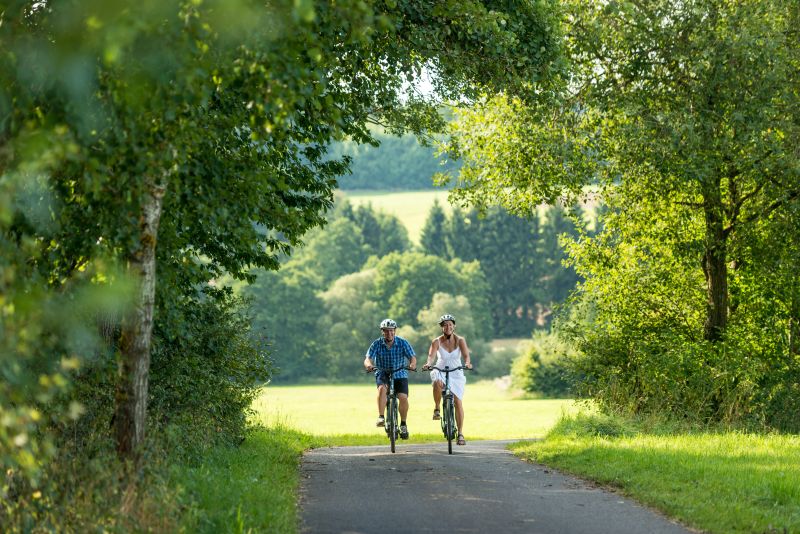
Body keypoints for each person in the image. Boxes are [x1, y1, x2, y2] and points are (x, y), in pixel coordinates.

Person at [421, 314, 473, 445]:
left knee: (458, 402)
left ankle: (460, 434)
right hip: (440, 369)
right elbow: (431, 356)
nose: (448, 326)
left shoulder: (460, 340)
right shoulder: (436, 341)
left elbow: (466, 356)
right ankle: (437, 408)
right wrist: (428, 363)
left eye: (450, 324)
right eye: (445, 324)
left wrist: (467, 363)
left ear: (454, 326)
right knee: (437, 382)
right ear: (441, 327)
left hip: (456, 371)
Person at [364, 318, 417, 439]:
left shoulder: (402, 342)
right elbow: (368, 358)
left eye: (391, 331)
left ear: (395, 331)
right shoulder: (377, 344)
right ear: (382, 332)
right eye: (386, 331)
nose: (389, 333)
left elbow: (412, 357)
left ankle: (403, 424)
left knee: (403, 397)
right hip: (383, 372)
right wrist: (369, 365)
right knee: (382, 389)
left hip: (400, 373)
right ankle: (381, 417)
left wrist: (412, 365)